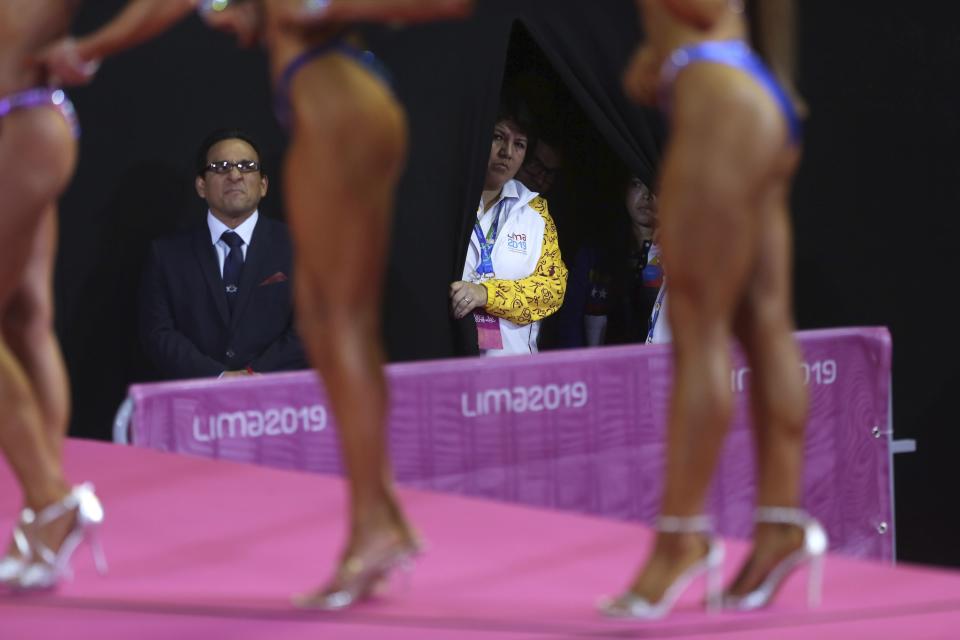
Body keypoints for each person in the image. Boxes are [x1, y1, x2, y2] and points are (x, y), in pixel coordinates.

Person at [38, 0, 474, 609]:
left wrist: (89, 48)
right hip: (342, 98)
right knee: (339, 327)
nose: (235, 176)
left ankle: (376, 524)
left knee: (336, 326)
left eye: (245, 168)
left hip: (338, 101)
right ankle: (382, 519)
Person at [602, 0, 825, 619]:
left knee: (698, 338)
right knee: (765, 325)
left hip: (716, 92)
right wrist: (779, 76)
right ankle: (780, 524)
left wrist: (663, 49)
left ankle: (681, 539)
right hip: (749, 87)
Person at [0, 0, 107, 591]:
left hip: (21, 117)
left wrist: (97, 46)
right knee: (26, 320)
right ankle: (43, 515)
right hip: (22, 117)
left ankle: (50, 499)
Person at [140, 129, 307, 381]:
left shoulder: (300, 246)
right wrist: (218, 377)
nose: (235, 175)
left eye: (246, 166)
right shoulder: (166, 255)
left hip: (278, 403)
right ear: (201, 186)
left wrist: (254, 376)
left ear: (263, 185)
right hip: (195, 403)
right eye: (221, 166)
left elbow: (312, 326)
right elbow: (158, 333)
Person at [450, 102, 568, 356]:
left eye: (519, 144)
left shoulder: (536, 212)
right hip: (447, 361)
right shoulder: (448, 202)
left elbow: (552, 289)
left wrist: (486, 294)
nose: (507, 152)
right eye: (498, 137)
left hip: (512, 374)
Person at [556, 174, 662, 348]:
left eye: (655, 186)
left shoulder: (678, 255)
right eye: (637, 184)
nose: (646, 195)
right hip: (597, 368)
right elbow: (570, 321)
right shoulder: (595, 252)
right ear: (624, 189)